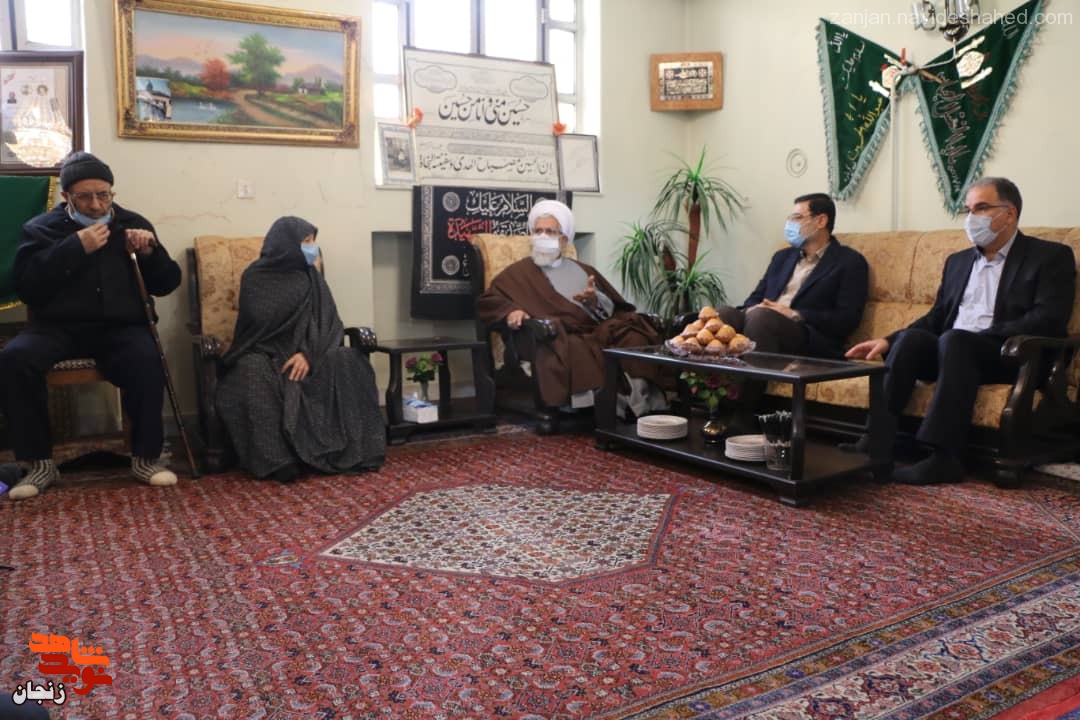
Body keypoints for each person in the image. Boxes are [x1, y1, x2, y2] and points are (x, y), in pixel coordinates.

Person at [845, 177, 1076, 485]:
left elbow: (1048, 319)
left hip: (1009, 354)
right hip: (954, 351)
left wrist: (979, 338)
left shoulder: (1049, 256)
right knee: (913, 340)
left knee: (956, 341)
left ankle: (946, 458)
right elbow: (937, 316)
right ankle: (875, 443)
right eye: (968, 210)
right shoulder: (958, 261)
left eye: (981, 208)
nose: (971, 217)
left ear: (1009, 213)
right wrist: (888, 340)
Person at [0, 151, 181, 500]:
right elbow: (27, 286)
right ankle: (39, 463)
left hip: (120, 328)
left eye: (104, 195)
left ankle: (146, 458)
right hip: (56, 328)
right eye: (85, 197)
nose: (96, 205)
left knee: (147, 358)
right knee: (15, 359)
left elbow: (167, 283)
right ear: (66, 196)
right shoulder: (41, 229)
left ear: (112, 192)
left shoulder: (132, 223)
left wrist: (150, 253)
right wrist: (74, 247)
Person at [215, 216, 386, 483]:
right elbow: (259, 325)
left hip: (311, 352)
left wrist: (308, 354)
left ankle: (354, 450)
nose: (312, 247)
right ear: (285, 243)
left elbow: (330, 321)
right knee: (250, 370)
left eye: (313, 241)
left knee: (348, 359)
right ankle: (278, 460)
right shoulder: (255, 277)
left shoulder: (311, 276)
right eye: (306, 241)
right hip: (266, 352)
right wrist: (286, 351)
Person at [476, 199, 666, 415]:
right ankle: (605, 406)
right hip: (553, 337)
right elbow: (488, 301)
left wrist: (595, 302)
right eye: (538, 231)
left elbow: (615, 310)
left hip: (595, 330)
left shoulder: (584, 270)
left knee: (634, 334)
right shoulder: (517, 274)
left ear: (564, 240)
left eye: (550, 231)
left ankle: (641, 402)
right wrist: (511, 310)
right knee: (576, 346)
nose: (542, 236)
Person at [715, 193, 869, 414]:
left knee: (762, 318)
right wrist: (752, 309)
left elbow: (847, 319)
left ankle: (743, 415)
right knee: (722, 314)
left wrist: (795, 314)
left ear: (821, 221)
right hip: (763, 323)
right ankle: (712, 409)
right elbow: (755, 298)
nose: (790, 224)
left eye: (796, 218)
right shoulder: (782, 258)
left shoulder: (849, 262)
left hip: (808, 336)